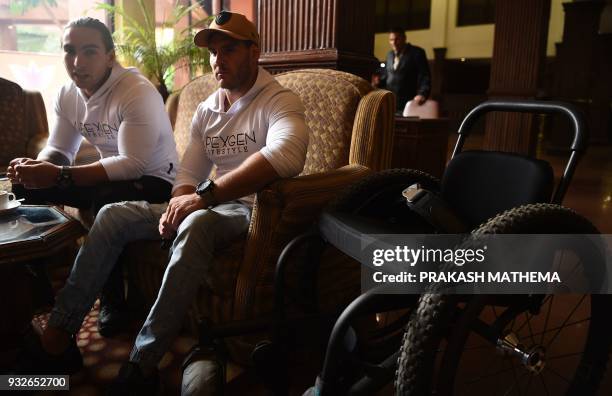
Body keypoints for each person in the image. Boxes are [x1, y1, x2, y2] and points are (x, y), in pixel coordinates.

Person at [17, 11, 310, 395]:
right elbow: (188, 172)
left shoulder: (279, 100)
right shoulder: (208, 109)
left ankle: (143, 362)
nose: (218, 60)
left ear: (254, 51)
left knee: (196, 221)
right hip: (212, 203)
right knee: (112, 214)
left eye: (230, 49)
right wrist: (177, 203)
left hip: (252, 209)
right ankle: (59, 331)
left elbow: (286, 155)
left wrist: (200, 199)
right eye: (213, 52)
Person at [6, 17, 179, 337]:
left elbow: (133, 165)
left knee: (103, 201)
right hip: (109, 179)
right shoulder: (68, 95)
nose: (77, 62)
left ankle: (114, 302)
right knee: (23, 189)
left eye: (89, 52)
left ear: (110, 56)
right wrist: (36, 167)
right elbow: (59, 149)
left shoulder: (135, 91)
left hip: (157, 181)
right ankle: (34, 284)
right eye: (69, 51)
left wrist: (57, 174)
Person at [380, 27, 431, 114]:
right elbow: (386, 76)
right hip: (391, 103)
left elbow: (425, 75)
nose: (394, 43)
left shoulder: (417, 52)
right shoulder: (389, 55)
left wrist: (422, 93)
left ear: (404, 38)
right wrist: (378, 82)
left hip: (409, 102)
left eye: (397, 39)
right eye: (391, 40)